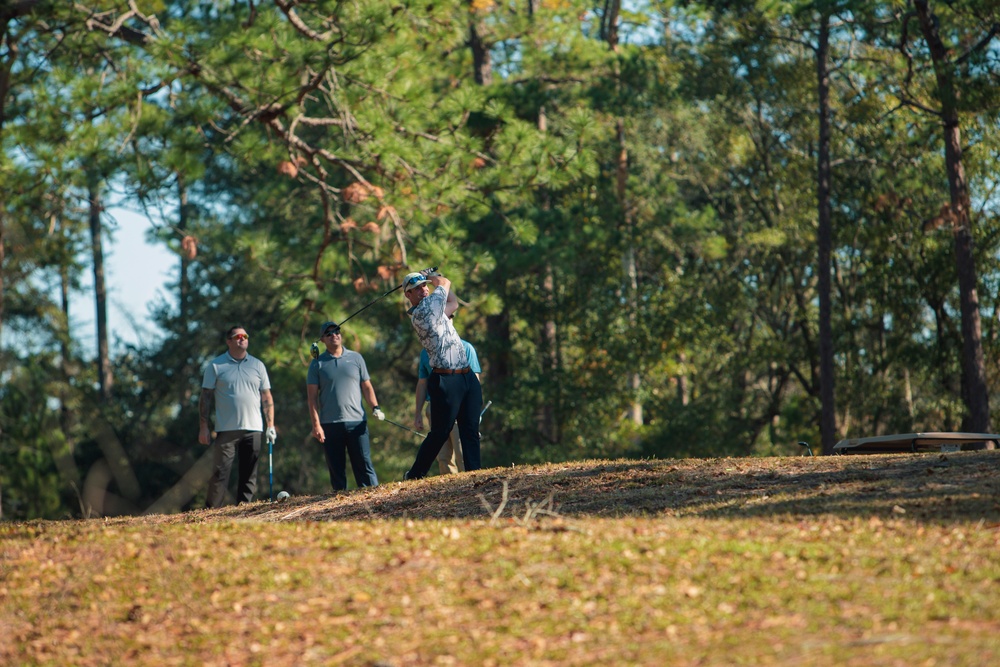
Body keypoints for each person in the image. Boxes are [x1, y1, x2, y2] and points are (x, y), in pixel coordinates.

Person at [401, 270, 483, 480]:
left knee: (470, 429)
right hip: (445, 379)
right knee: (439, 433)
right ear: (408, 296)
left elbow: (453, 303)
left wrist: (432, 279)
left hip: (465, 375)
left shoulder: (436, 309)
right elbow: (445, 282)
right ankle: (415, 474)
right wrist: (433, 274)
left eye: (424, 286)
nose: (422, 290)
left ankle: (475, 473)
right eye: (416, 289)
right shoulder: (424, 311)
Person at [199, 325, 276, 508]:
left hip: (254, 428)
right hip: (226, 429)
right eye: (237, 336)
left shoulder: (257, 365)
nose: (242, 339)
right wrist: (203, 427)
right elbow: (205, 397)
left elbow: (266, 396)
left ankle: (244, 509)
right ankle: (211, 513)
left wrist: (271, 425)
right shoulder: (216, 365)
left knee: (249, 473)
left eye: (245, 336)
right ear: (229, 341)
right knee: (220, 473)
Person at [307, 321, 385, 491]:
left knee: (364, 465)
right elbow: (312, 398)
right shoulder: (317, 364)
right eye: (329, 333)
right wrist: (316, 425)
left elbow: (367, 386)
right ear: (322, 339)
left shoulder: (356, 358)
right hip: (330, 424)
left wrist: (375, 407)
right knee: (336, 470)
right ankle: (341, 505)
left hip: (357, 422)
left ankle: (374, 499)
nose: (334, 335)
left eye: (336, 331)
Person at [415, 338, 481, 475]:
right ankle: (450, 487)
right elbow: (422, 383)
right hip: (435, 405)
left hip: (460, 405)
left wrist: (473, 410)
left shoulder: (466, 347)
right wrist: (418, 413)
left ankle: (470, 480)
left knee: (462, 451)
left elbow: (474, 377)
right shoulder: (426, 352)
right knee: (443, 456)